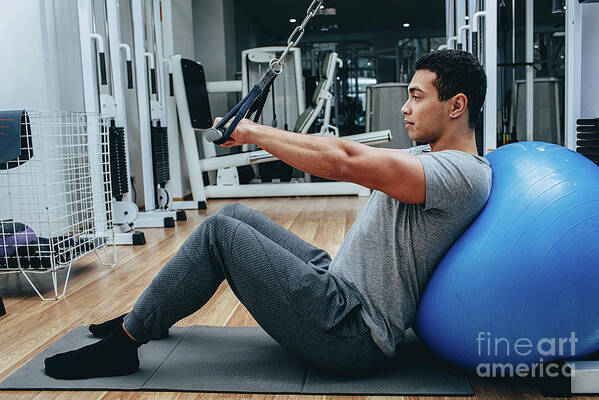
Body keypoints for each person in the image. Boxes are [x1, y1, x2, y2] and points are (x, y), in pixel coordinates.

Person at [44, 49, 492, 380]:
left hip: (351, 330)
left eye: (417, 97)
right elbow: (342, 152)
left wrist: (255, 132)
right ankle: (148, 314)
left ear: (456, 105)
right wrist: (255, 136)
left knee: (221, 233)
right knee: (236, 214)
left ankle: (124, 344)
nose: (405, 107)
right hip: (337, 281)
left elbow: (344, 161)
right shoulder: (432, 159)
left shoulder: (459, 174)